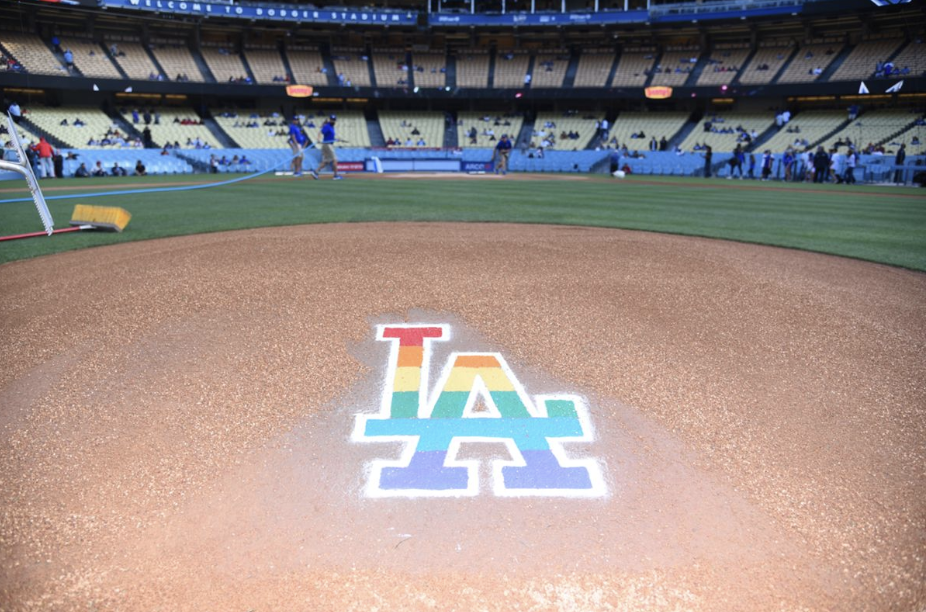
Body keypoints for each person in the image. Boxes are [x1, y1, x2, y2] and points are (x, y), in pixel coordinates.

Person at [311, 115, 342, 180]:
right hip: (327, 145)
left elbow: (330, 136)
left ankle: (316, 172)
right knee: (335, 159)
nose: (333, 121)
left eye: (334, 119)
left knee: (326, 161)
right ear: (329, 119)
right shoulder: (327, 126)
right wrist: (318, 139)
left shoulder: (331, 127)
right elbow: (321, 131)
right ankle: (336, 175)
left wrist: (336, 139)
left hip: (328, 144)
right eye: (331, 119)